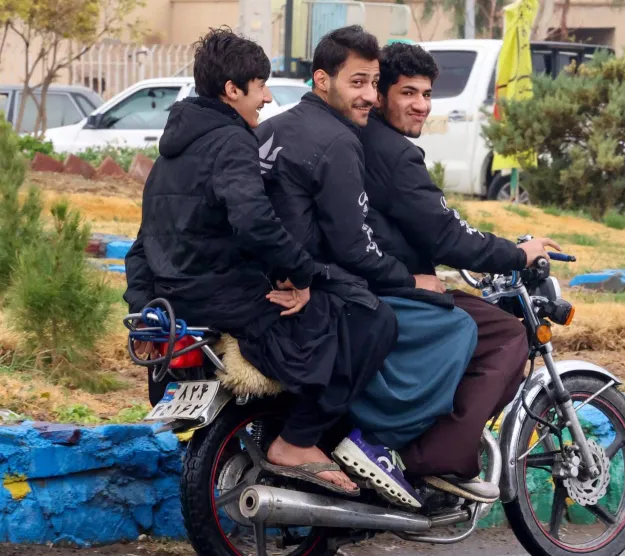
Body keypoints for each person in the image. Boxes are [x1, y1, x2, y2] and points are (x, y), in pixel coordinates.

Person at [123, 27, 396, 497]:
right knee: (371, 318)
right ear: (233, 91)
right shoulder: (231, 141)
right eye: (261, 86)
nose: (268, 98)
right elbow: (254, 221)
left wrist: (146, 308)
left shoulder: (173, 151)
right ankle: (298, 440)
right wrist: (304, 275)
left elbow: (140, 245)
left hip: (179, 300)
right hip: (228, 296)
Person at [256, 25, 475, 510]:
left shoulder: (271, 129)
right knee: (385, 320)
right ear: (321, 80)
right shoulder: (338, 141)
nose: (368, 97)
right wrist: (408, 278)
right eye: (358, 83)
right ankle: (374, 442)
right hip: (303, 279)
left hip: (262, 278)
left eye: (373, 84)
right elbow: (354, 247)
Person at [358, 42, 561, 503]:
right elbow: (447, 235)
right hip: (394, 288)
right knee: (507, 336)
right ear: (381, 93)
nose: (421, 105)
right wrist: (517, 253)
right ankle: (438, 460)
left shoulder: (358, 138)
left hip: (372, 279)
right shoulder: (394, 153)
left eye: (427, 94)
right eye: (408, 92)